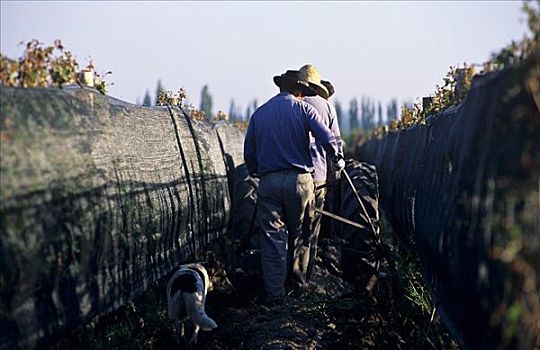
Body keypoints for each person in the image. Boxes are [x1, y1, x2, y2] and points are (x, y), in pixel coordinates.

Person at [243, 69, 344, 304]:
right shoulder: (304, 109)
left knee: (272, 237)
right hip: (300, 182)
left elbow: (249, 152)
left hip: (269, 182)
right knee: (302, 234)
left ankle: (275, 294)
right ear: (298, 90)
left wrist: (257, 171)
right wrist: (337, 157)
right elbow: (327, 138)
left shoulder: (260, 113)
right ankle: (299, 286)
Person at [299, 64, 344, 282]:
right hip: (318, 175)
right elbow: (334, 141)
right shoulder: (326, 107)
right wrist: (338, 164)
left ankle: (290, 273)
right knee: (312, 227)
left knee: (292, 227)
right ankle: (307, 273)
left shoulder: (294, 103)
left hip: (295, 173)